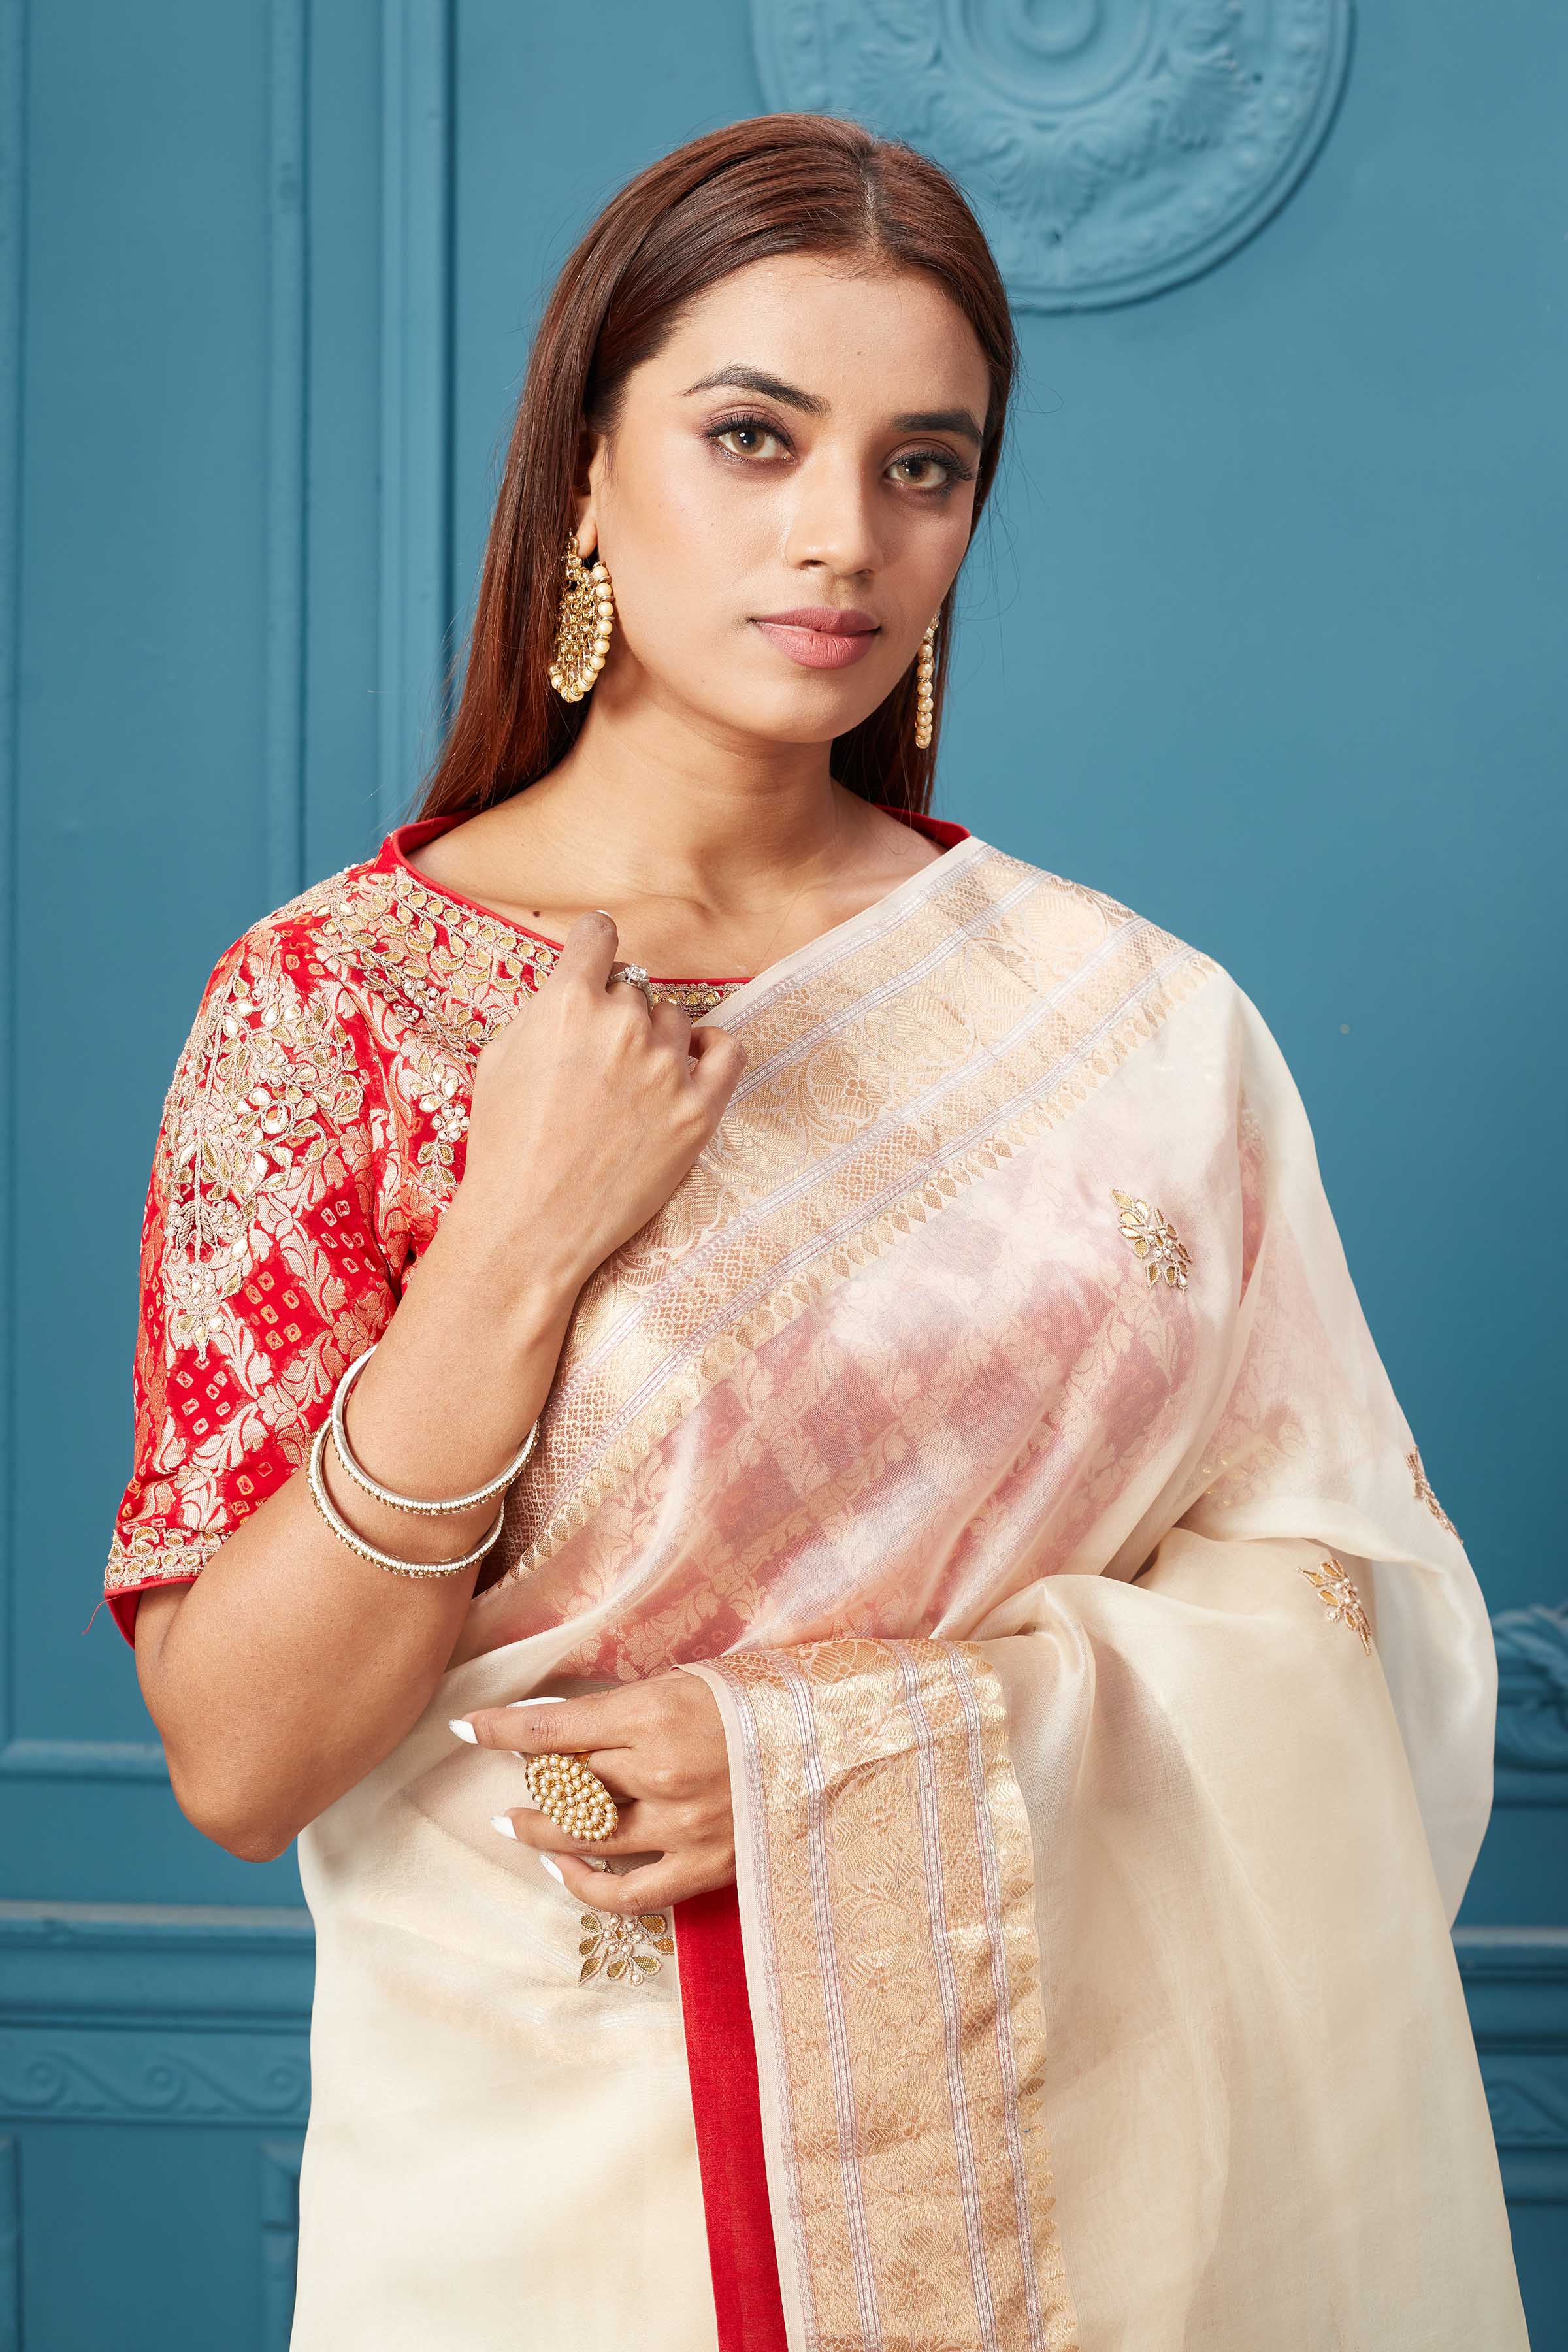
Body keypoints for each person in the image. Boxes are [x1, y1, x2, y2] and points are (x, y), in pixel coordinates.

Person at [105, 114, 1527, 2352]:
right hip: (545, 2198)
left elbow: (1356, 1633)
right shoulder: (336, 1010)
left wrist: (847, 1749)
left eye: (923, 466)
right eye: (753, 437)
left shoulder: (1136, 1020)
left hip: (1082, 2190)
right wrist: (517, 1246)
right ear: (587, 477)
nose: (841, 535)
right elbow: (239, 1758)